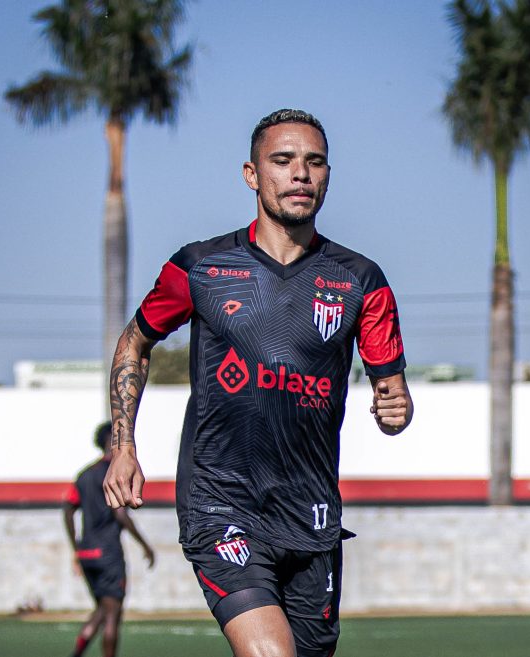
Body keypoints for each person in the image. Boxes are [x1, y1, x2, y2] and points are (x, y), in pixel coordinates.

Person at [103, 108, 413, 657]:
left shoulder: (361, 280)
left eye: (314, 162)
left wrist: (396, 409)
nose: (300, 174)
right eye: (283, 160)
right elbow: (135, 341)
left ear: (327, 175)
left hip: (312, 515)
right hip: (221, 502)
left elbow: (392, 391)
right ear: (252, 174)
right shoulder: (200, 266)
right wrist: (123, 445)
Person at [64, 421, 155, 657]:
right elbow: (120, 514)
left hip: (87, 553)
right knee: (113, 613)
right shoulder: (113, 473)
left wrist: (76, 548)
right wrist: (145, 545)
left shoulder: (84, 475)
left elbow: (68, 510)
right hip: (107, 553)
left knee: (103, 609)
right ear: (112, 440)